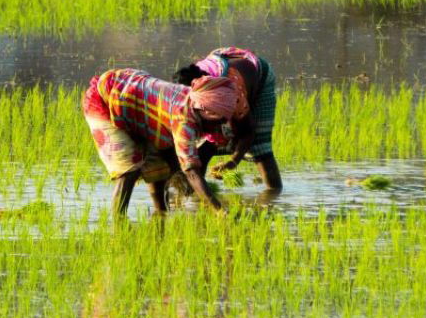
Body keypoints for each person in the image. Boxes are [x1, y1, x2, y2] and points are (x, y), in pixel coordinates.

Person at [81, 68, 239, 220]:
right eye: (220, 120)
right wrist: (219, 211)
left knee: (160, 166)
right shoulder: (184, 119)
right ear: (206, 111)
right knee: (129, 168)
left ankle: (161, 213)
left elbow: (176, 157)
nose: (221, 125)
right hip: (106, 98)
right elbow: (191, 171)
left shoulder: (195, 101)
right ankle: (118, 222)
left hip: (136, 102)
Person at [173, 46, 282, 193]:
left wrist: (233, 161)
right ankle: (194, 195)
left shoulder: (231, 93)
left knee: (260, 148)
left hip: (258, 76)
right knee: (201, 149)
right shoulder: (186, 92)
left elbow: (248, 132)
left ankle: (273, 195)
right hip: (222, 63)